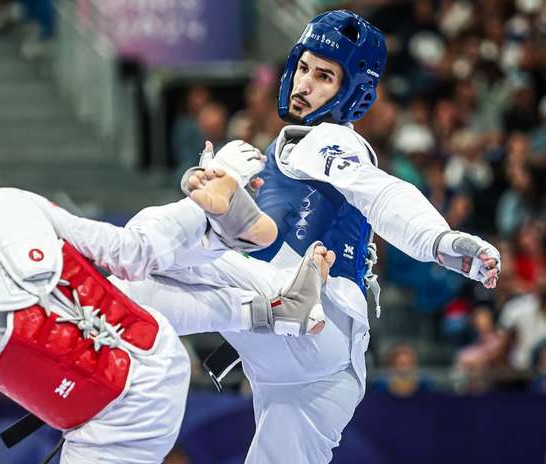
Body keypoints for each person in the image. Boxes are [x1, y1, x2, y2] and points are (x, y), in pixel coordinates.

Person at [112, 10, 502, 464]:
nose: (303, 84)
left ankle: (75, 312)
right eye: (302, 68)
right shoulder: (276, 157)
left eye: (324, 76)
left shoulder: (319, 141)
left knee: (153, 248)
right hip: (332, 374)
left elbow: (380, 192)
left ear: (351, 93)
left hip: (308, 316)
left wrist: (440, 240)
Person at [0, 142, 330, 463]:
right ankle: (228, 240)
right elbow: (129, 254)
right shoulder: (2, 203)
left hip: (119, 423)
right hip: (158, 349)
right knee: (134, 263)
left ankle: (248, 278)